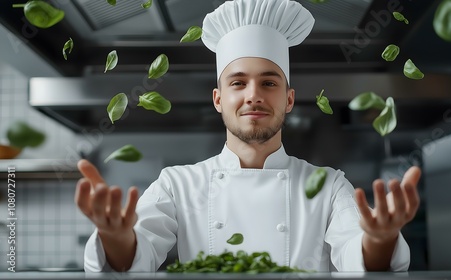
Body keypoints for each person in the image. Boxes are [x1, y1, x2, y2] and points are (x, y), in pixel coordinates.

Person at [75, 0, 421, 273]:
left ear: (288, 99)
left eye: (269, 82)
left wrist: (381, 238)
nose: (253, 95)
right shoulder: (176, 185)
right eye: (238, 82)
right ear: (219, 99)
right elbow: (136, 256)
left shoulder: (328, 187)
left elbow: (358, 258)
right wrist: (115, 237)